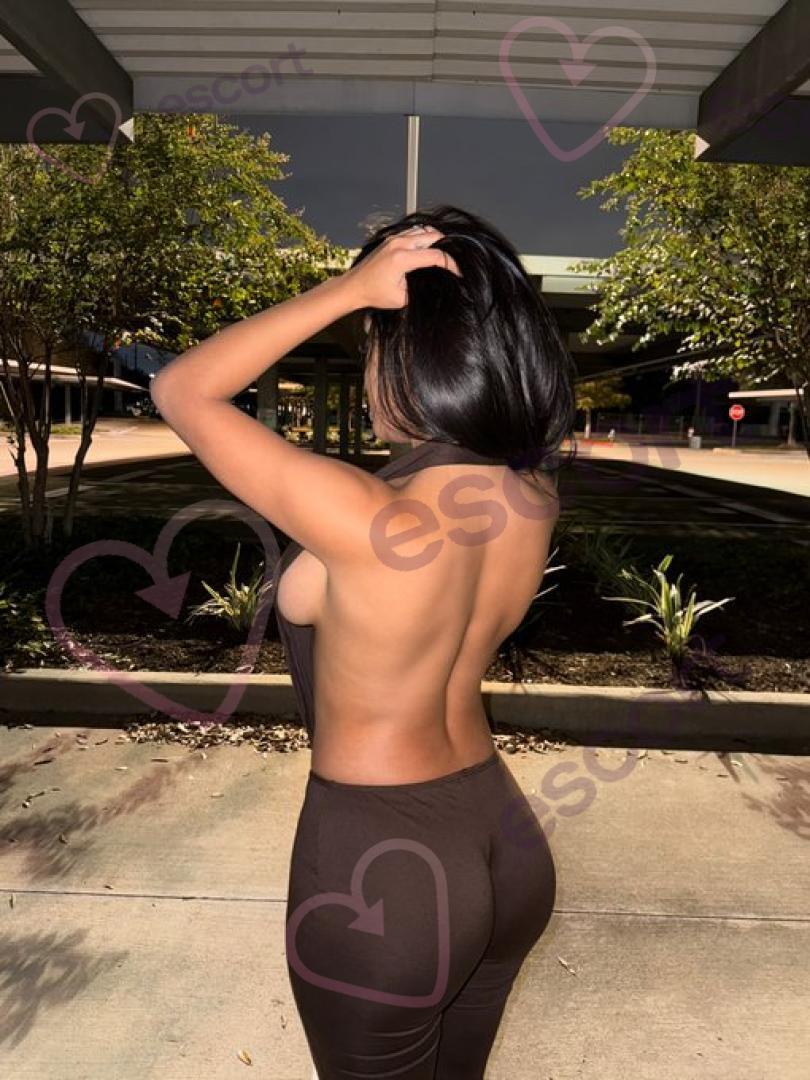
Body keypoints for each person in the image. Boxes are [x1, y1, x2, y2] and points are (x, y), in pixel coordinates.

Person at [151, 204, 578, 1078]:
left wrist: (346, 291)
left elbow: (182, 391)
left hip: (384, 863)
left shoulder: (367, 515)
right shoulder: (530, 496)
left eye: (376, 345)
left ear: (410, 356)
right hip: (503, 842)